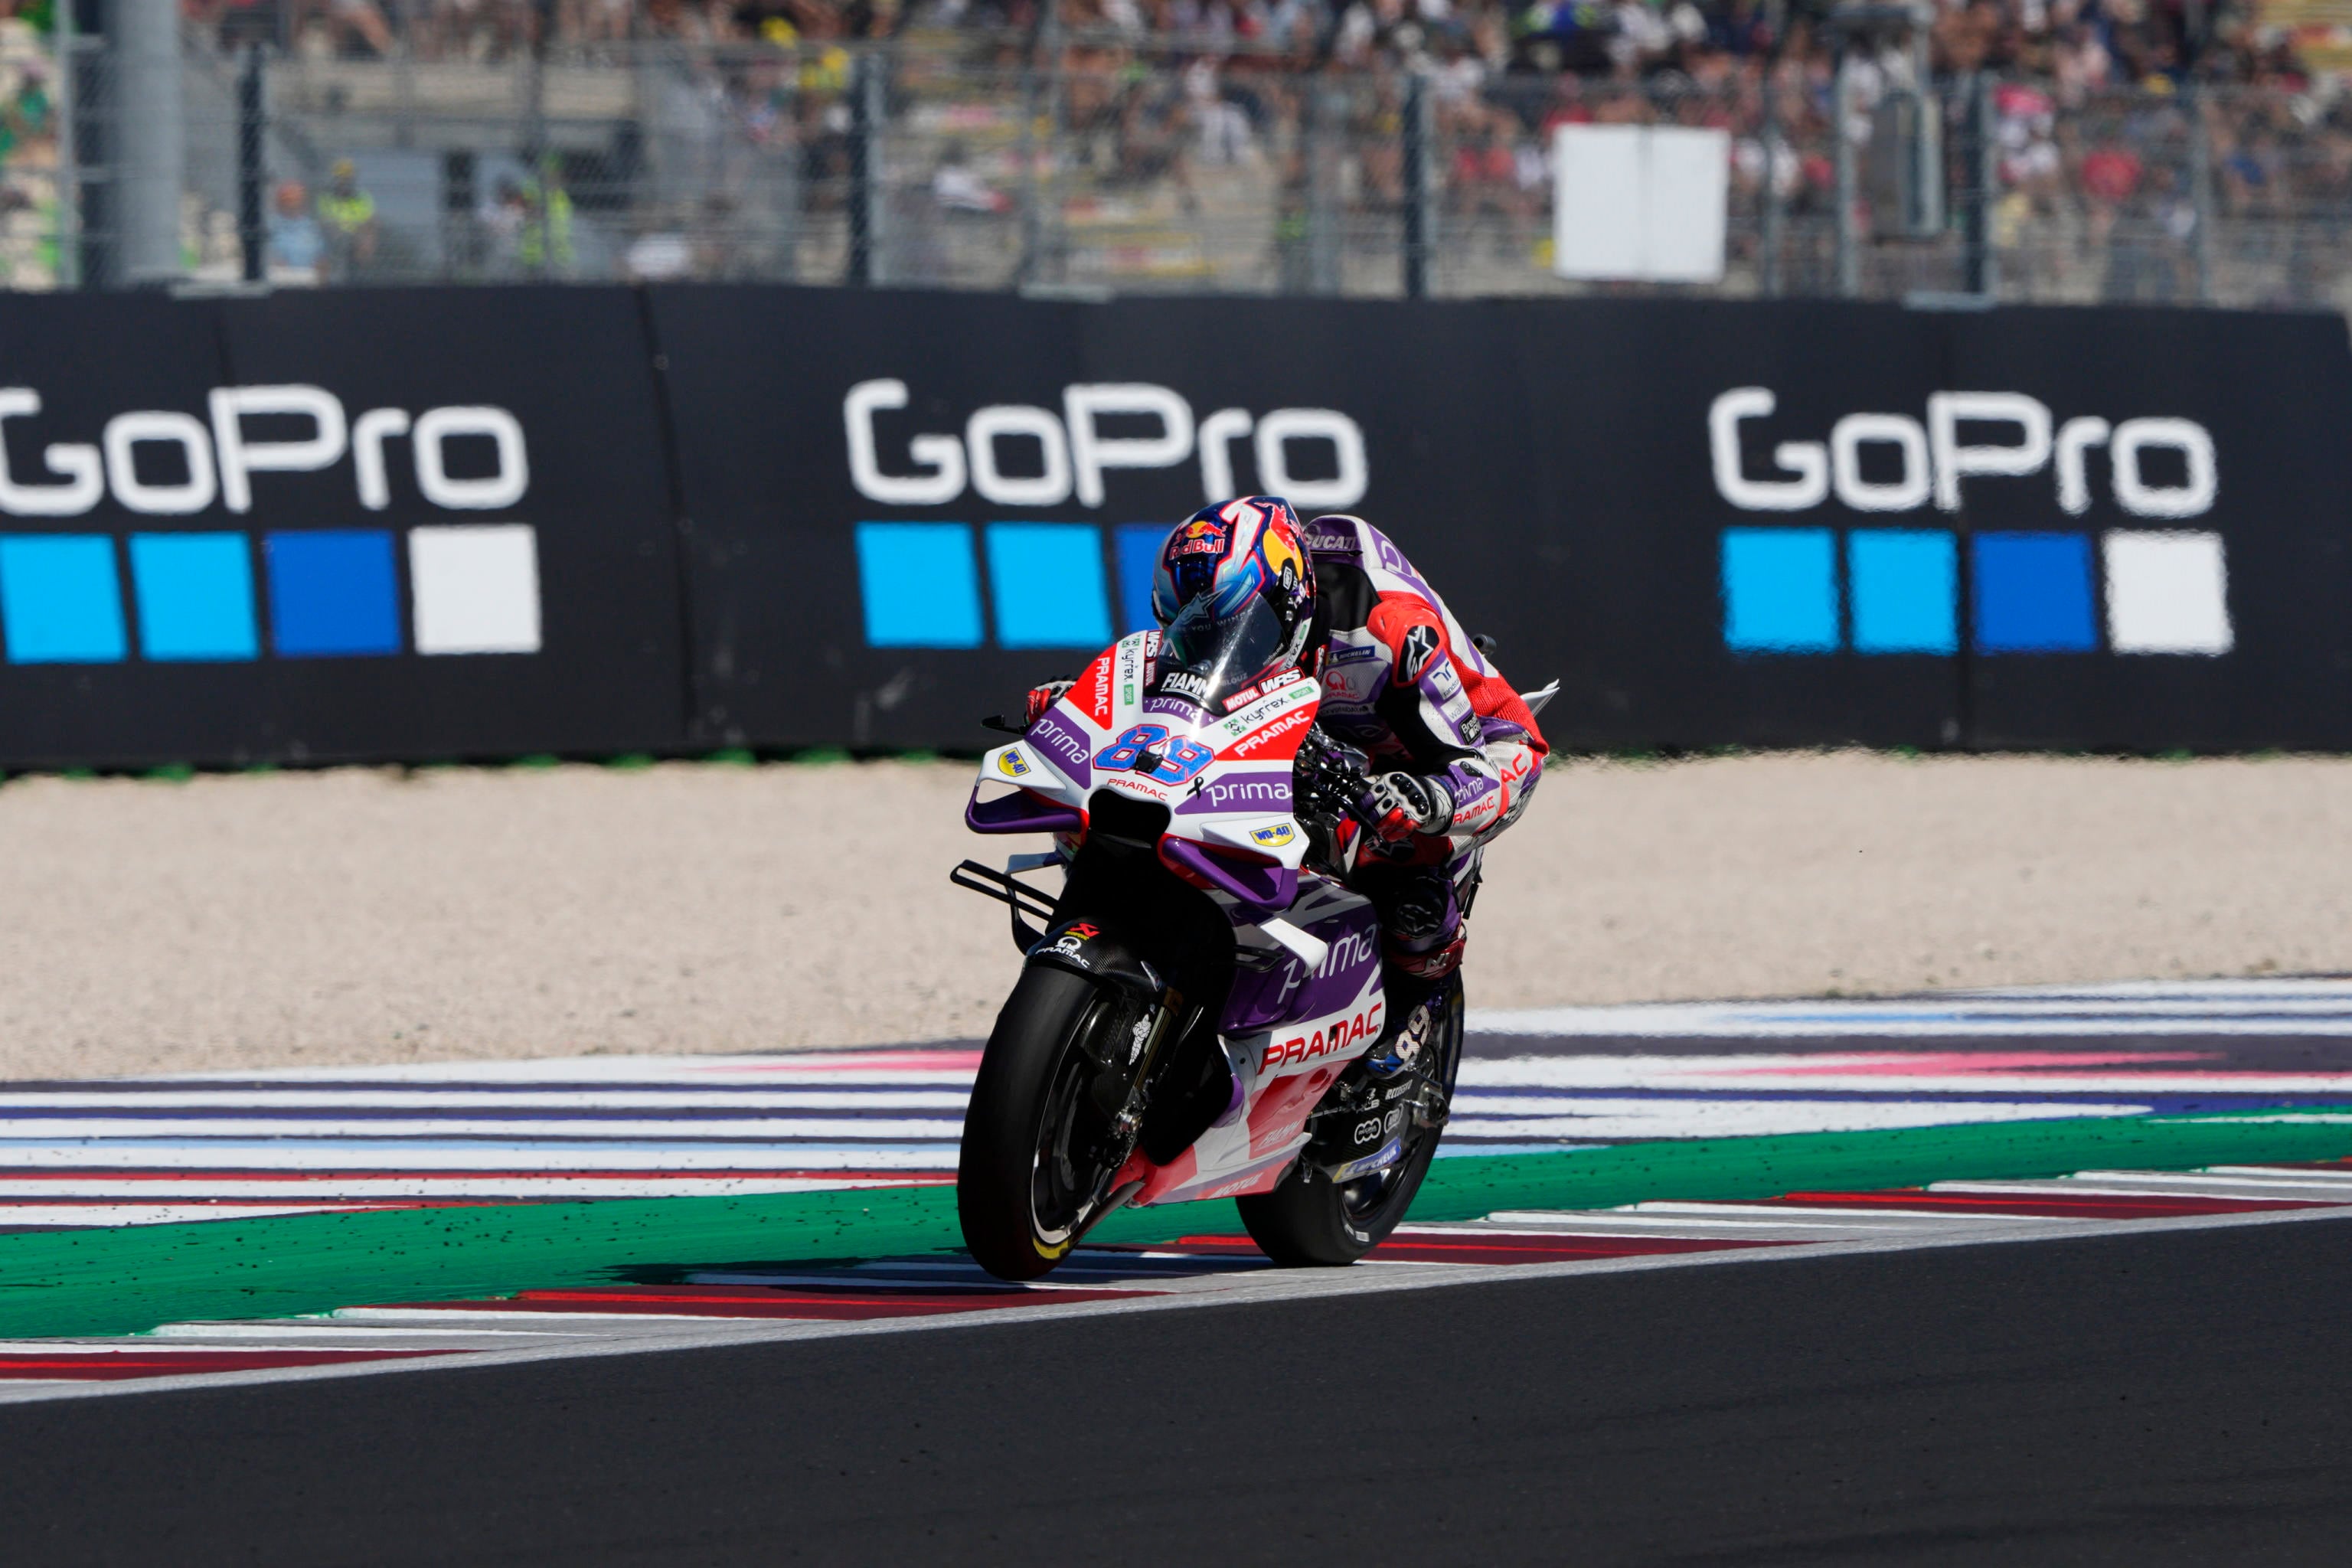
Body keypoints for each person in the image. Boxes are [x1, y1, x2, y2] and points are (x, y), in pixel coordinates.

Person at [1024, 495, 1547, 1062]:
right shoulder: (1215, 617)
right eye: (1189, 629)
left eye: (1243, 628)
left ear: (1291, 601)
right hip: (1300, 726)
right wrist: (1077, 706)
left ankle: (1410, 1020)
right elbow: (1160, 688)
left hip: (1447, 741)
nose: (1216, 645)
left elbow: (1480, 755)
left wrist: (1433, 797)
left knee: (1406, 873)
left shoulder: (1386, 632)